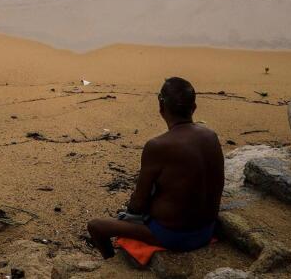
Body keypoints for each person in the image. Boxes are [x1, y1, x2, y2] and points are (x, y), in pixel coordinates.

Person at [86, 77, 224, 259]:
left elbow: (138, 203)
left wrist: (132, 214)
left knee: (96, 226)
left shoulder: (158, 146)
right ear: (194, 108)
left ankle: (111, 264)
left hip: (176, 236)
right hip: (207, 229)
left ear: (161, 107)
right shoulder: (211, 136)